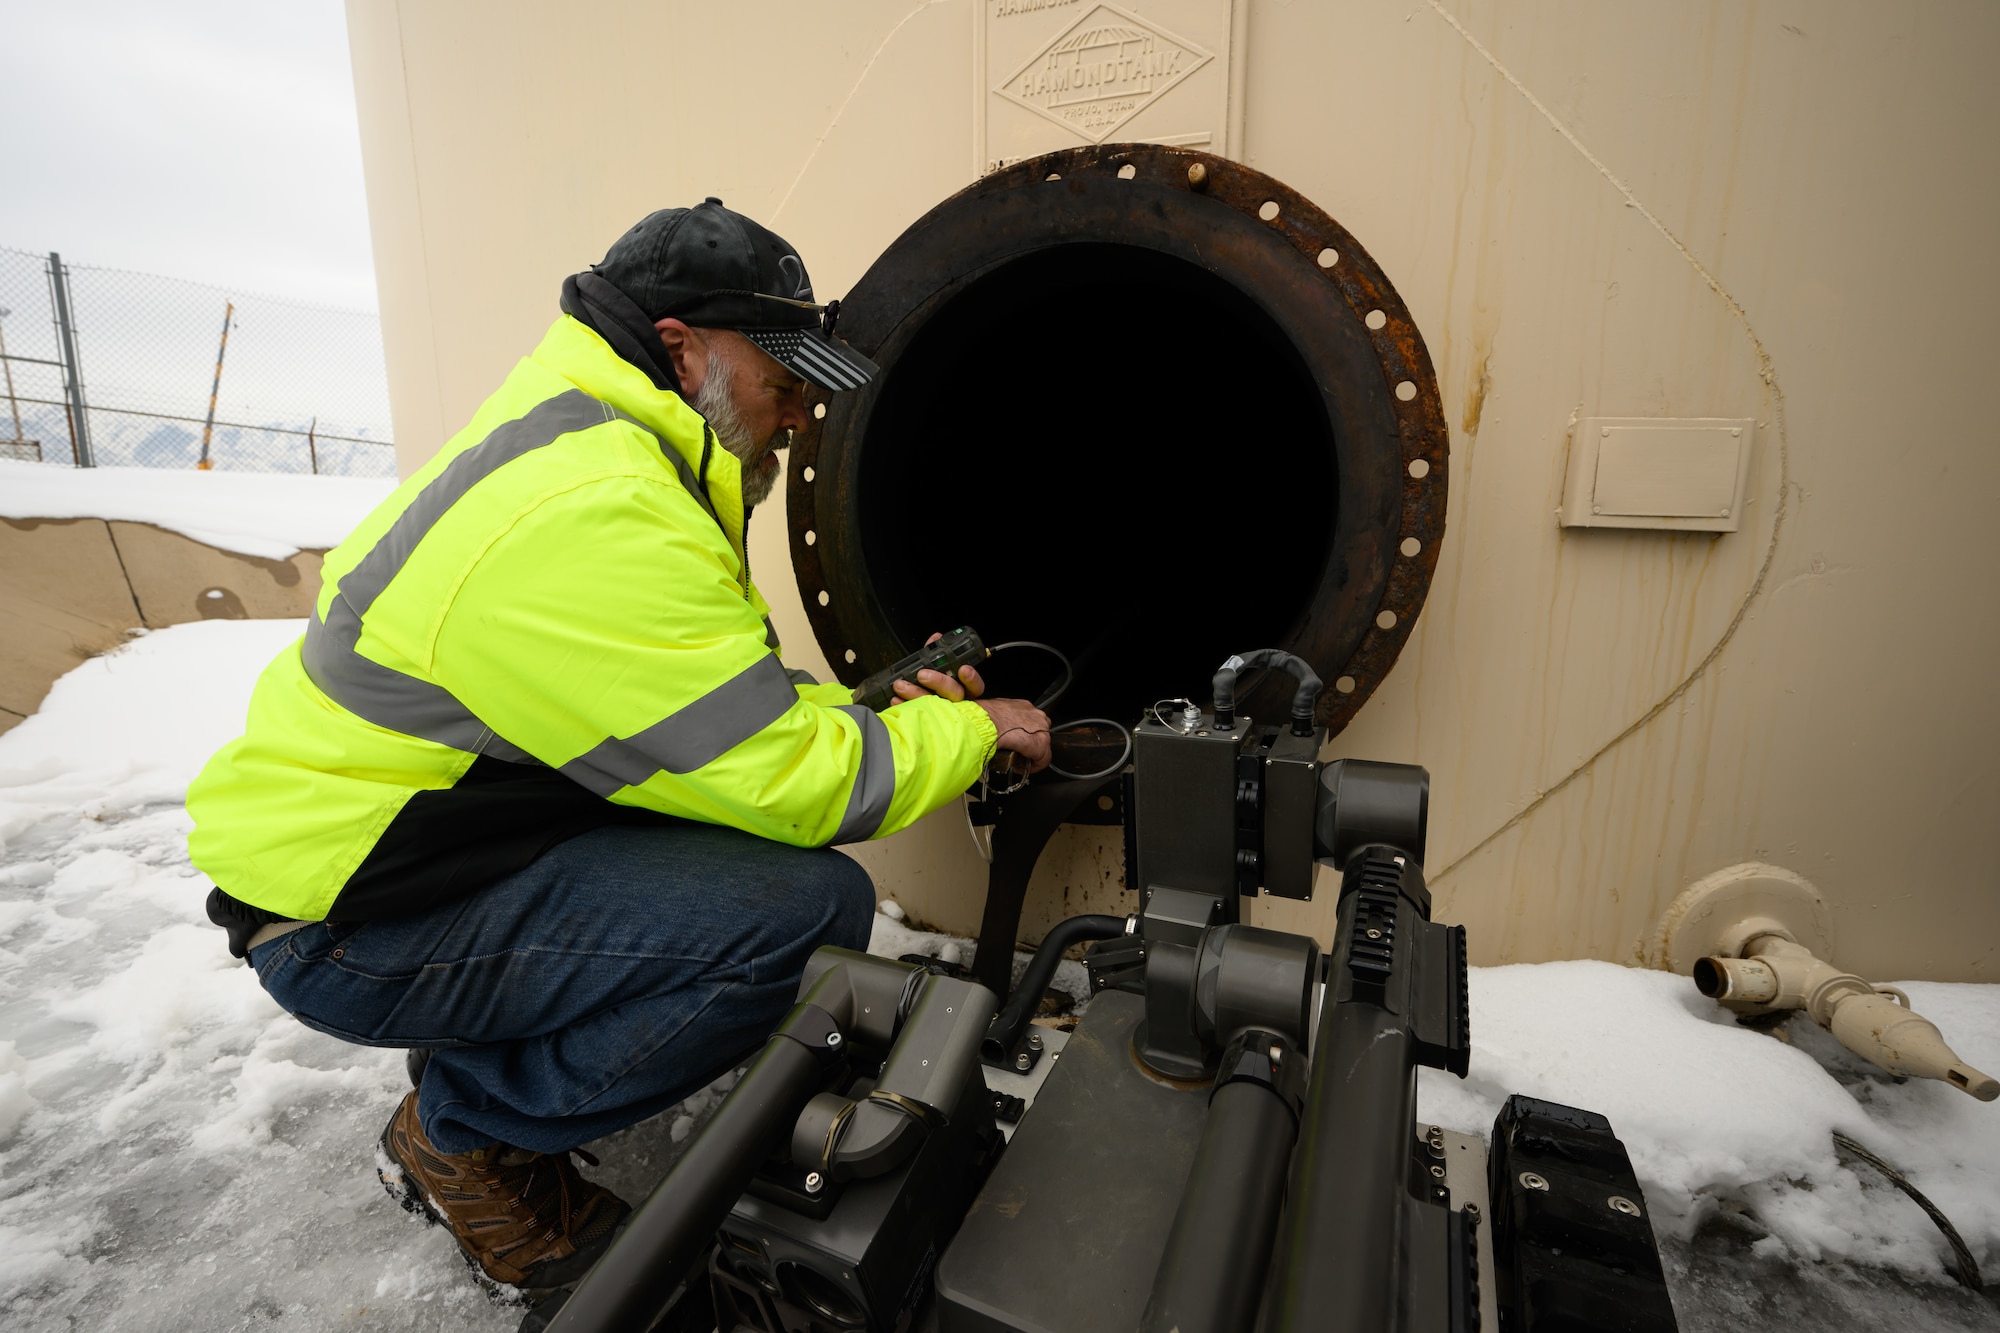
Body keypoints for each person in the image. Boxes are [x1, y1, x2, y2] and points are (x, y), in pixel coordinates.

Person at [185, 200, 1052, 1294]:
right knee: (795, 915)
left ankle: (484, 1052)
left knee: (752, 879)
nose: (799, 411)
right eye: (782, 375)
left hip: (405, 857)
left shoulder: (604, 441)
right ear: (682, 348)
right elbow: (793, 787)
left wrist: (872, 709)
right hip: (345, 917)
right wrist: (968, 730)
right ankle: (466, 1138)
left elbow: (701, 716)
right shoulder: (598, 506)